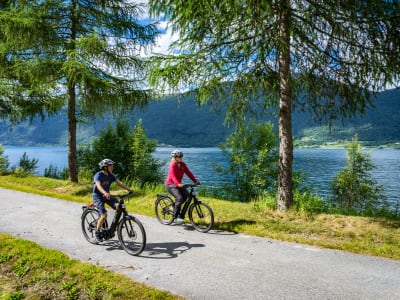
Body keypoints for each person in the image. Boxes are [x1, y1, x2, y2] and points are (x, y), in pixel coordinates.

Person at [92, 158, 133, 242]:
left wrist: (129, 189)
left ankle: (116, 224)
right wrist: (104, 192)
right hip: (98, 197)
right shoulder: (98, 175)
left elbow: (119, 183)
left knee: (119, 206)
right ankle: (97, 232)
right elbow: (98, 185)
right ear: (105, 167)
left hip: (107, 196)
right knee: (104, 216)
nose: (112, 167)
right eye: (111, 166)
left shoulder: (111, 175)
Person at [165, 149, 200, 223]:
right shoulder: (172, 164)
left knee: (186, 196)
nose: (181, 157)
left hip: (178, 184)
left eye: (181, 156)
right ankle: (176, 216)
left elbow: (188, 173)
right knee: (180, 198)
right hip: (170, 184)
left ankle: (180, 213)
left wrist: (195, 181)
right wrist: (178, 184)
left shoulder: (183, 164)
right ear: (175, 157)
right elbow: (173, 176)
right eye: (179, 156)